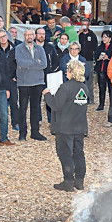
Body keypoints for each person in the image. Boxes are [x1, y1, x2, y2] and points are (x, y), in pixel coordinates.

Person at [43, 59, 89, 192]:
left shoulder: (65, 87)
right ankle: (79, 181)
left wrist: (47, 95)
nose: (66, 71)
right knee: (79, 153)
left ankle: (68, 181)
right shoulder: (84, 88)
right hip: (80, 126)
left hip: (65, 126)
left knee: (65, 154)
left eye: (68, 69)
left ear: (72, 72)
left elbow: (56, 105)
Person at [13, 28, 48, 141]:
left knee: (35, 108)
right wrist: (35, 62)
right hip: (24, 82)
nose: (29, 37)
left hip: (38, 82)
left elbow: (44, 64)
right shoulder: (18, 48)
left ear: (34, 36)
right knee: (22, 108)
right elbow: (20, 62)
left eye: (31, 35)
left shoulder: (40, 48)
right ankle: (22, 133)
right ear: (24, 36)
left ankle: (35, 132)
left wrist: (28, 65)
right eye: (27, 35)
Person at [0, 29, 20, 131]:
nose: (2, 39)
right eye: (0, 37)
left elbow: (19, 63)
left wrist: (16, 75)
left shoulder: (15, 49)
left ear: (7, 36)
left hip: (11, 79)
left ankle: (15, 122)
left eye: (4, 36)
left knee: (14, 102)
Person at [94, 30, 112, 112]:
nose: (104, 39)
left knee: (111, 88)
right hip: (101, 70)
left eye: (105, 37)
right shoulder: (100, 47)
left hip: (110, 70)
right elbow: (96, 56)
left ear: (110, 38)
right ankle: (101, 105)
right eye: (103, 37)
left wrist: (109, 58)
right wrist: (99, 58)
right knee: (101, 88)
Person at [78, 20, 97, 104]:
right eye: (83, 25)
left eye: (86, 25)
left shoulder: (92, 35)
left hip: (89, 60)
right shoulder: (79, 35)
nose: (84, 26)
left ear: (89, 26)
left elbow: (95, 47)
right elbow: (73, 42)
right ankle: (81, 98)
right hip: (79, 59)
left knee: (89, 80)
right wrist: (79, 33)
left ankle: (90, 98)